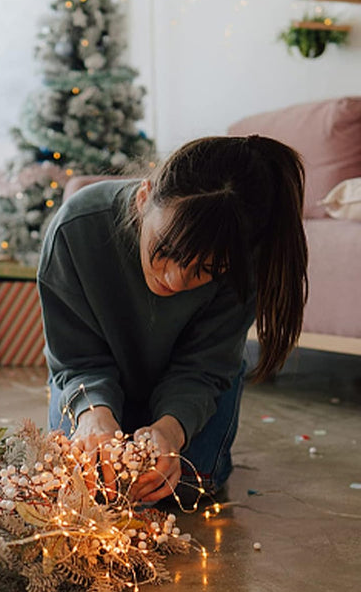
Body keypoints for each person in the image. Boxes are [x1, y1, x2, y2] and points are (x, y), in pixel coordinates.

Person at [37, 135, 308, 505]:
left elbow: (203, 369)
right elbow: (74, 359)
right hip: (87, 381)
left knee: (180, 490)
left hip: (192, 387)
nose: (176, 280)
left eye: (207, 270)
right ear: (144, 197)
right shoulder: (77, 228)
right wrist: (93, 415)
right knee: (83, 484)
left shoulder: (245, 265)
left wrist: (170, 430)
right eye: (168, 250)